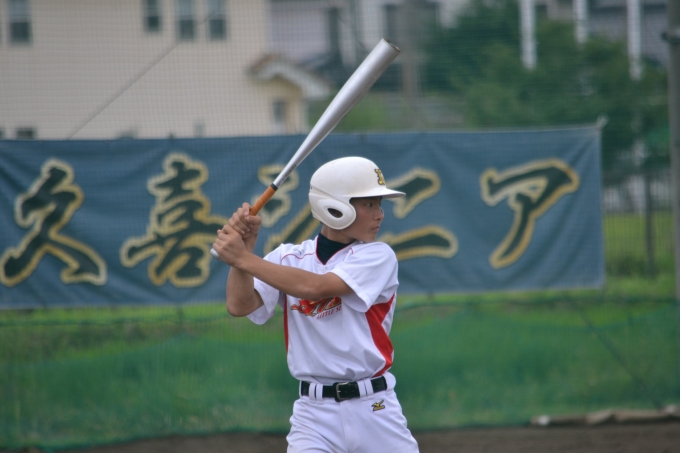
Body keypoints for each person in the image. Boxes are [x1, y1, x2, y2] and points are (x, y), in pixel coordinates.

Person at [213, 156, 419, 453]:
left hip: (375, 408)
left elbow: (315, 287)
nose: (380, 215)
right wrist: (244, 250)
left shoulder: (377, 255)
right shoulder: (287, 258)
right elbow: (239, 305)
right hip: (313, 415)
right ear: (334, 207)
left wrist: (243, 258)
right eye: (369, 204)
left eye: (379, 204)